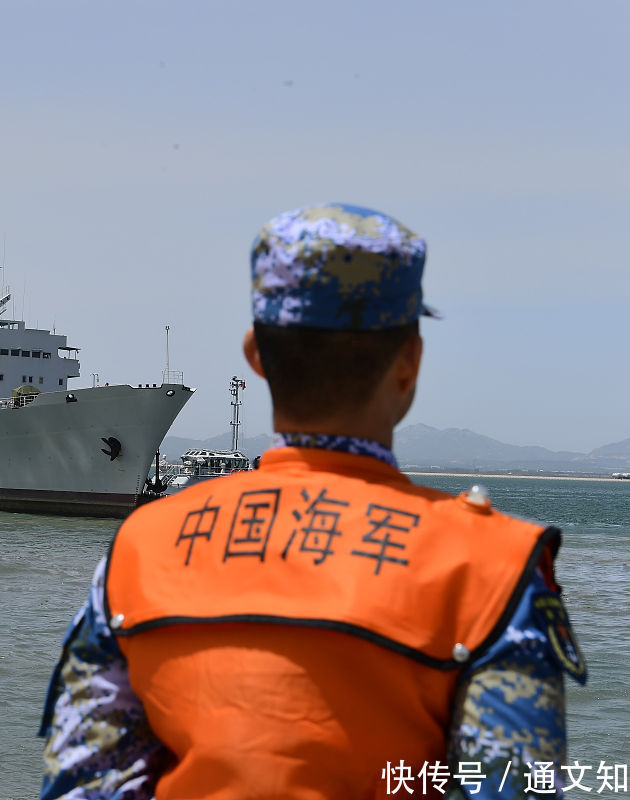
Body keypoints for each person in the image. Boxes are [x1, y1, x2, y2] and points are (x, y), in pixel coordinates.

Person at [39, 204, 587, 799]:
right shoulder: (492, 567)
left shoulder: (140, 552)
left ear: (256, 354)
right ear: (410, 362)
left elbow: (83, 783)